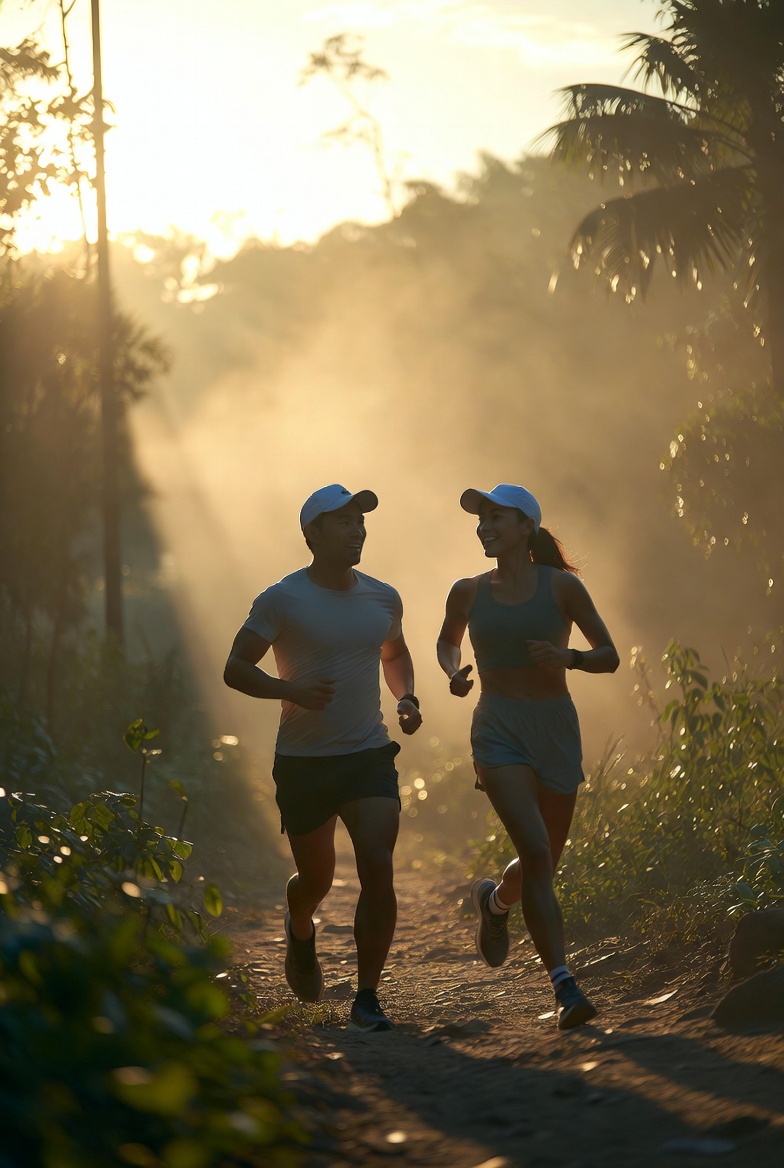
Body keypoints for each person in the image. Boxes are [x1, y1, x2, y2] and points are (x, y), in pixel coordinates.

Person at [224, 484, 422, 1032]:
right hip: (304, 761)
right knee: (315, 881)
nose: (357, 529)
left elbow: (396, 652)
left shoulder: (383, 598)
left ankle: (366, 998)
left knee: (378, 866)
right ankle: (300, 927)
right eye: (343, 521)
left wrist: (405, 696)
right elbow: (235, 668)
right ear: (311, 533)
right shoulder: (282, 599)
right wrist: (289, 692)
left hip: (367, 753)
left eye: (361, 521)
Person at [437, 484, 619, 1030]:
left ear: (527, 527)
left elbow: (607, 655)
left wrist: (569, 657)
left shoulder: (562, 588)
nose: (484, 526)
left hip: (555, 728)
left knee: (544, 861)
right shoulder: (467, 591)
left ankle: (494, 903)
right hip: (498, 729)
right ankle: (564, 986)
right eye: (481, 518)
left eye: (496, 517)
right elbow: (448, 642)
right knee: (537, 850)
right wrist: (453, 671)